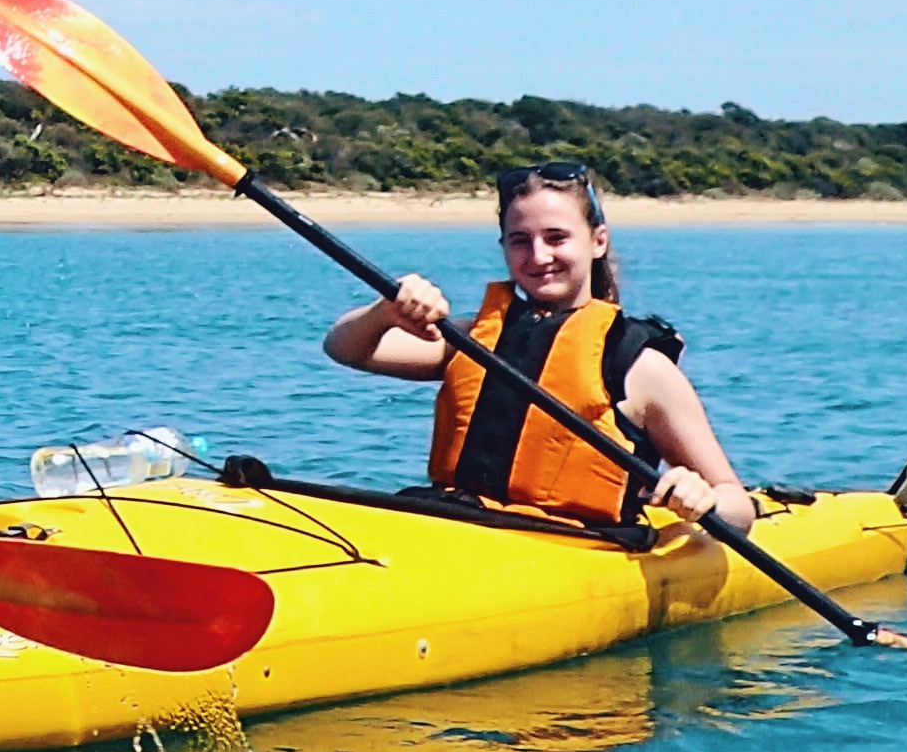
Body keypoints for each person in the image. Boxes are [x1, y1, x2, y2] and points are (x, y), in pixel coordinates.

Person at [319, 162, 755, 539]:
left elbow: (738, 507)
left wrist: (704, 498)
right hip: (457, 525)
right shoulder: (472, 340)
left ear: (598, 241)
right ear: (503, 248)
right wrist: (385, 310)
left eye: (556, 237)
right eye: (520, 240)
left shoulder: (640, 367)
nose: (538, 255)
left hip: (574, 544)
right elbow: (345, 348)